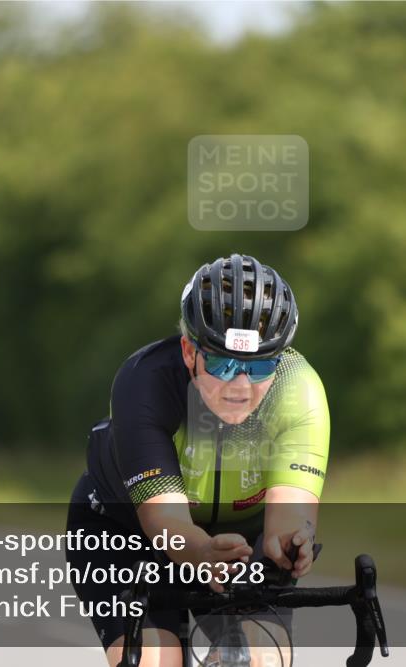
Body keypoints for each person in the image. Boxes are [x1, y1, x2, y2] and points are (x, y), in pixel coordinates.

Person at [66, 254, 330, 667]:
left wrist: (290, 544)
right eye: (223, 363)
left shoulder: (300, 389)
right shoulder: (145, 381)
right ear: (190, 351)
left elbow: (288, 516)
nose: (240, 387)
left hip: (239, 545)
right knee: (155, 661)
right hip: (127, 532)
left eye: (259, 365)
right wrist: (202, 553)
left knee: (259, 660)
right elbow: (166, 523)